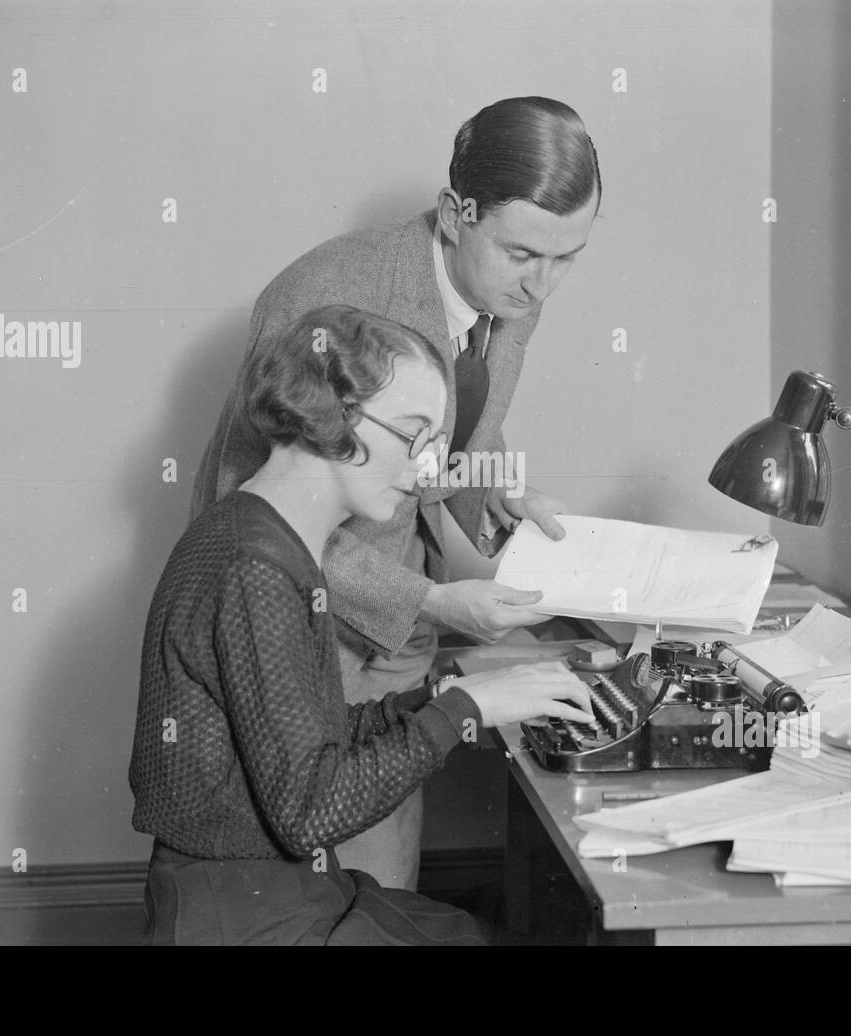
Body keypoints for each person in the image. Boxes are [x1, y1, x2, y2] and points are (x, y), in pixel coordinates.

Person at [190, 97, 602, 889]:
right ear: (455, 214)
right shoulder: (325, 298)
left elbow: (455, 420)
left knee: (378, 892)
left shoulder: (510, 289)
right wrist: (429, 603)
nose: (544, 284)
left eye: (568, 258)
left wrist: (493, 491)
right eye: (523, 255)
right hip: (292, 622)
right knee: (306, 889)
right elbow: (245, 501)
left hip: (391, 623)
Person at [129, 305, 594, 945]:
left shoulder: (267, 536)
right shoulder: (255, 567)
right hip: (240, 916)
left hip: (262, 891)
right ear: (335, 415)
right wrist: (462, 706)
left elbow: (307, 736)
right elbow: (311, 810)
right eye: (414, 436)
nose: (431, 470)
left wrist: (445, 702)